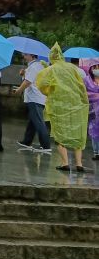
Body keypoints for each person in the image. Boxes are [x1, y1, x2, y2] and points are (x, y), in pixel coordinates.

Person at [36, 43, 89, 172]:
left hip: (58, 106)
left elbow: (42, 84)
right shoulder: (72, 68)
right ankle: (79, 164)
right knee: (77, 134)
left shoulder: (51, 69)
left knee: (59, 134)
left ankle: (65, 163)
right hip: (76, 105)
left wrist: (48, 90)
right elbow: (81, 84)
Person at [12, 53, 51, 153]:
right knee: (33, 120)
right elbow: (31, 80)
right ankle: (27, 141)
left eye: (25, 55)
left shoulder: (34, 66)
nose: (24, 57)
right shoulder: (37, 66)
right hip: (38, 97)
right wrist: (23, 74)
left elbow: (28, 82)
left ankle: (46, 146)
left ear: (32, 56)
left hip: (35, 98)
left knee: (38, 121)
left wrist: (19, 90)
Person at [84, 62, 99, 160]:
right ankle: (96, 152)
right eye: (94, 67)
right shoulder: (86, 80)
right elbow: (83, 93)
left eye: (98, 67)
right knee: (93, 130)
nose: (96, 69)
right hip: (92, 109)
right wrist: (95, 96)